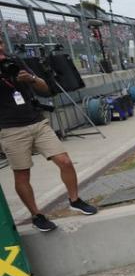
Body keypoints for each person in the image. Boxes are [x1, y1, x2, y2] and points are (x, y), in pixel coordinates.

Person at [0, 41, 98, 231]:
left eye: (1, 42)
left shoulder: (14, 61)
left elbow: (44, 88)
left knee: (65, 161)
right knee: (22, 174)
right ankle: (36, 215)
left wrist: (30, 78)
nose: (0, 47)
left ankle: (74, 200)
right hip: (11, 128)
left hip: (37, 121)